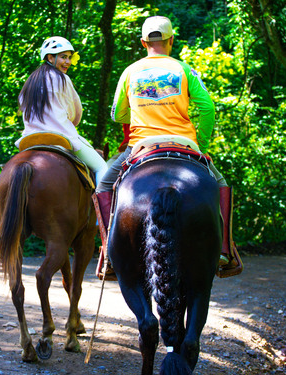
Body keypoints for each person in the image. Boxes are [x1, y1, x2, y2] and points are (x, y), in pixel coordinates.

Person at [94, 16, 242, 277]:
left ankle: (109, 254)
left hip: (141, 146)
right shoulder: (184, 70)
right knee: (220, 184)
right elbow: (207, 108)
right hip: (183, 143)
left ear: (143, 42)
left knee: (104, 185)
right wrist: (202, 145)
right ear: (171, 40)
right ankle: (224, 250)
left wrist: (141, 113)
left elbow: (117, 114)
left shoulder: (130, 72)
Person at [16, 36, 108, 185]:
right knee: (101, 167)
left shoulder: (29, 82)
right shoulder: (62, 79)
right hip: (60, 137)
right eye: (63, 57)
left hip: (30, 139)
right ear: (50, 58)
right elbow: (75, 114)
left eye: (69, 57)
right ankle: (104, 209)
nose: (68, 62)